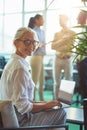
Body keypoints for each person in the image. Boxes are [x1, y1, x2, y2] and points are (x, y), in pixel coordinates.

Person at [0, 27, 66, 129]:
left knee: (52, 108)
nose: (32, 46)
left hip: (16, 115)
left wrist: (47, 103)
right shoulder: (20, 68)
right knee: (61, 113)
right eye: (27, 42)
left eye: (34, 42)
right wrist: (46, 105)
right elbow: (23, 107)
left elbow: (22, 100)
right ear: (16, 43)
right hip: (22, 121)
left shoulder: (14, 63)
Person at [51, 14, 75, 100]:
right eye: (59, 19)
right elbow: (52, 46)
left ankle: (65, 102)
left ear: (66, 20)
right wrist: (63, 40)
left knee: (68, 81)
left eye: (61, 19)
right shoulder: (56, 34)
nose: (60, 21)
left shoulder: (72, 33)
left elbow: (71, 47)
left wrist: (60, 45)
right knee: (57, 82)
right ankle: (56, 102)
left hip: (68, 59)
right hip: (57, 59)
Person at [29, 14, 46, 101]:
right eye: (42, 19)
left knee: (42, 80)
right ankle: (33, 100)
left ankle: (42, 100)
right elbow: (32, 45)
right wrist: (39, 45)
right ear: (36, 20)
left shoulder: (42, 32)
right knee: (34, 81)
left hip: (41, 58)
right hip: (35, 57)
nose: (43, 21)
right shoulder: (32, 32)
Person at [76, 10, 87, 100]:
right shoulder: (82, 29)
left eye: (78, 17)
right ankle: (84, 101)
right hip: (81, 60)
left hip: (84, 60)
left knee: (84, 81)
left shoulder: (85, 30)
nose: (76, 18)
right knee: (82, 81)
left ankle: (85, 102)